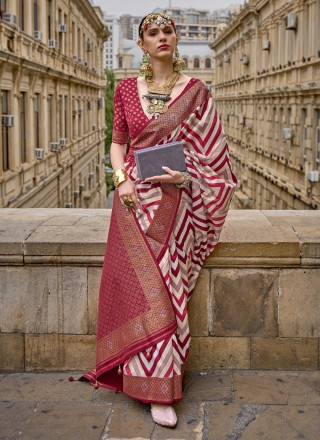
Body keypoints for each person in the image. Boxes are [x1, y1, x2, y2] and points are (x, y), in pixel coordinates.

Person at [81, 12, 237, 428]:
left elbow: (213, 154)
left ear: (176, 40)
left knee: (168, 291)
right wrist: (121, 181)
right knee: (138, 291)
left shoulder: (196, 91)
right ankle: (140, 378)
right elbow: (118, 143)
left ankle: (163, 386)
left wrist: (188, 176)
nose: (162, 37)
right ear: (142, 45)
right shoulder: (126, 89)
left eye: (168, 31)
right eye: (152, 33)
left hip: (177, 204)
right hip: (133, 204)